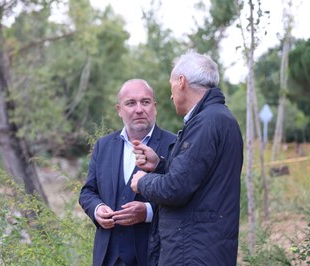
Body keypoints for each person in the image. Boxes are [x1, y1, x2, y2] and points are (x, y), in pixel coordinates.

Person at [131, 52, 244, 265]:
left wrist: (142, 182)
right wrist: (159, 165)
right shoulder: (219, 118)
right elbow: (198, 179)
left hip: (192, 253)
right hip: (207, 248)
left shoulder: (206, 123)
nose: (171, 96)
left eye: (171, 85)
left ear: (181, 81)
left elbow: (176, 189)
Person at [79, 79, 176, 266]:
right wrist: (97, 209)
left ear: (154, 107)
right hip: (107, 256)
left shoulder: (174, 145)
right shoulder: (103, 146)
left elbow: (184, 198)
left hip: (153, 256)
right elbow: (88, 191)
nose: (139, 109)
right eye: (131, 103)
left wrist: (148, 212)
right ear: (119, 110)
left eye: (145, 102)